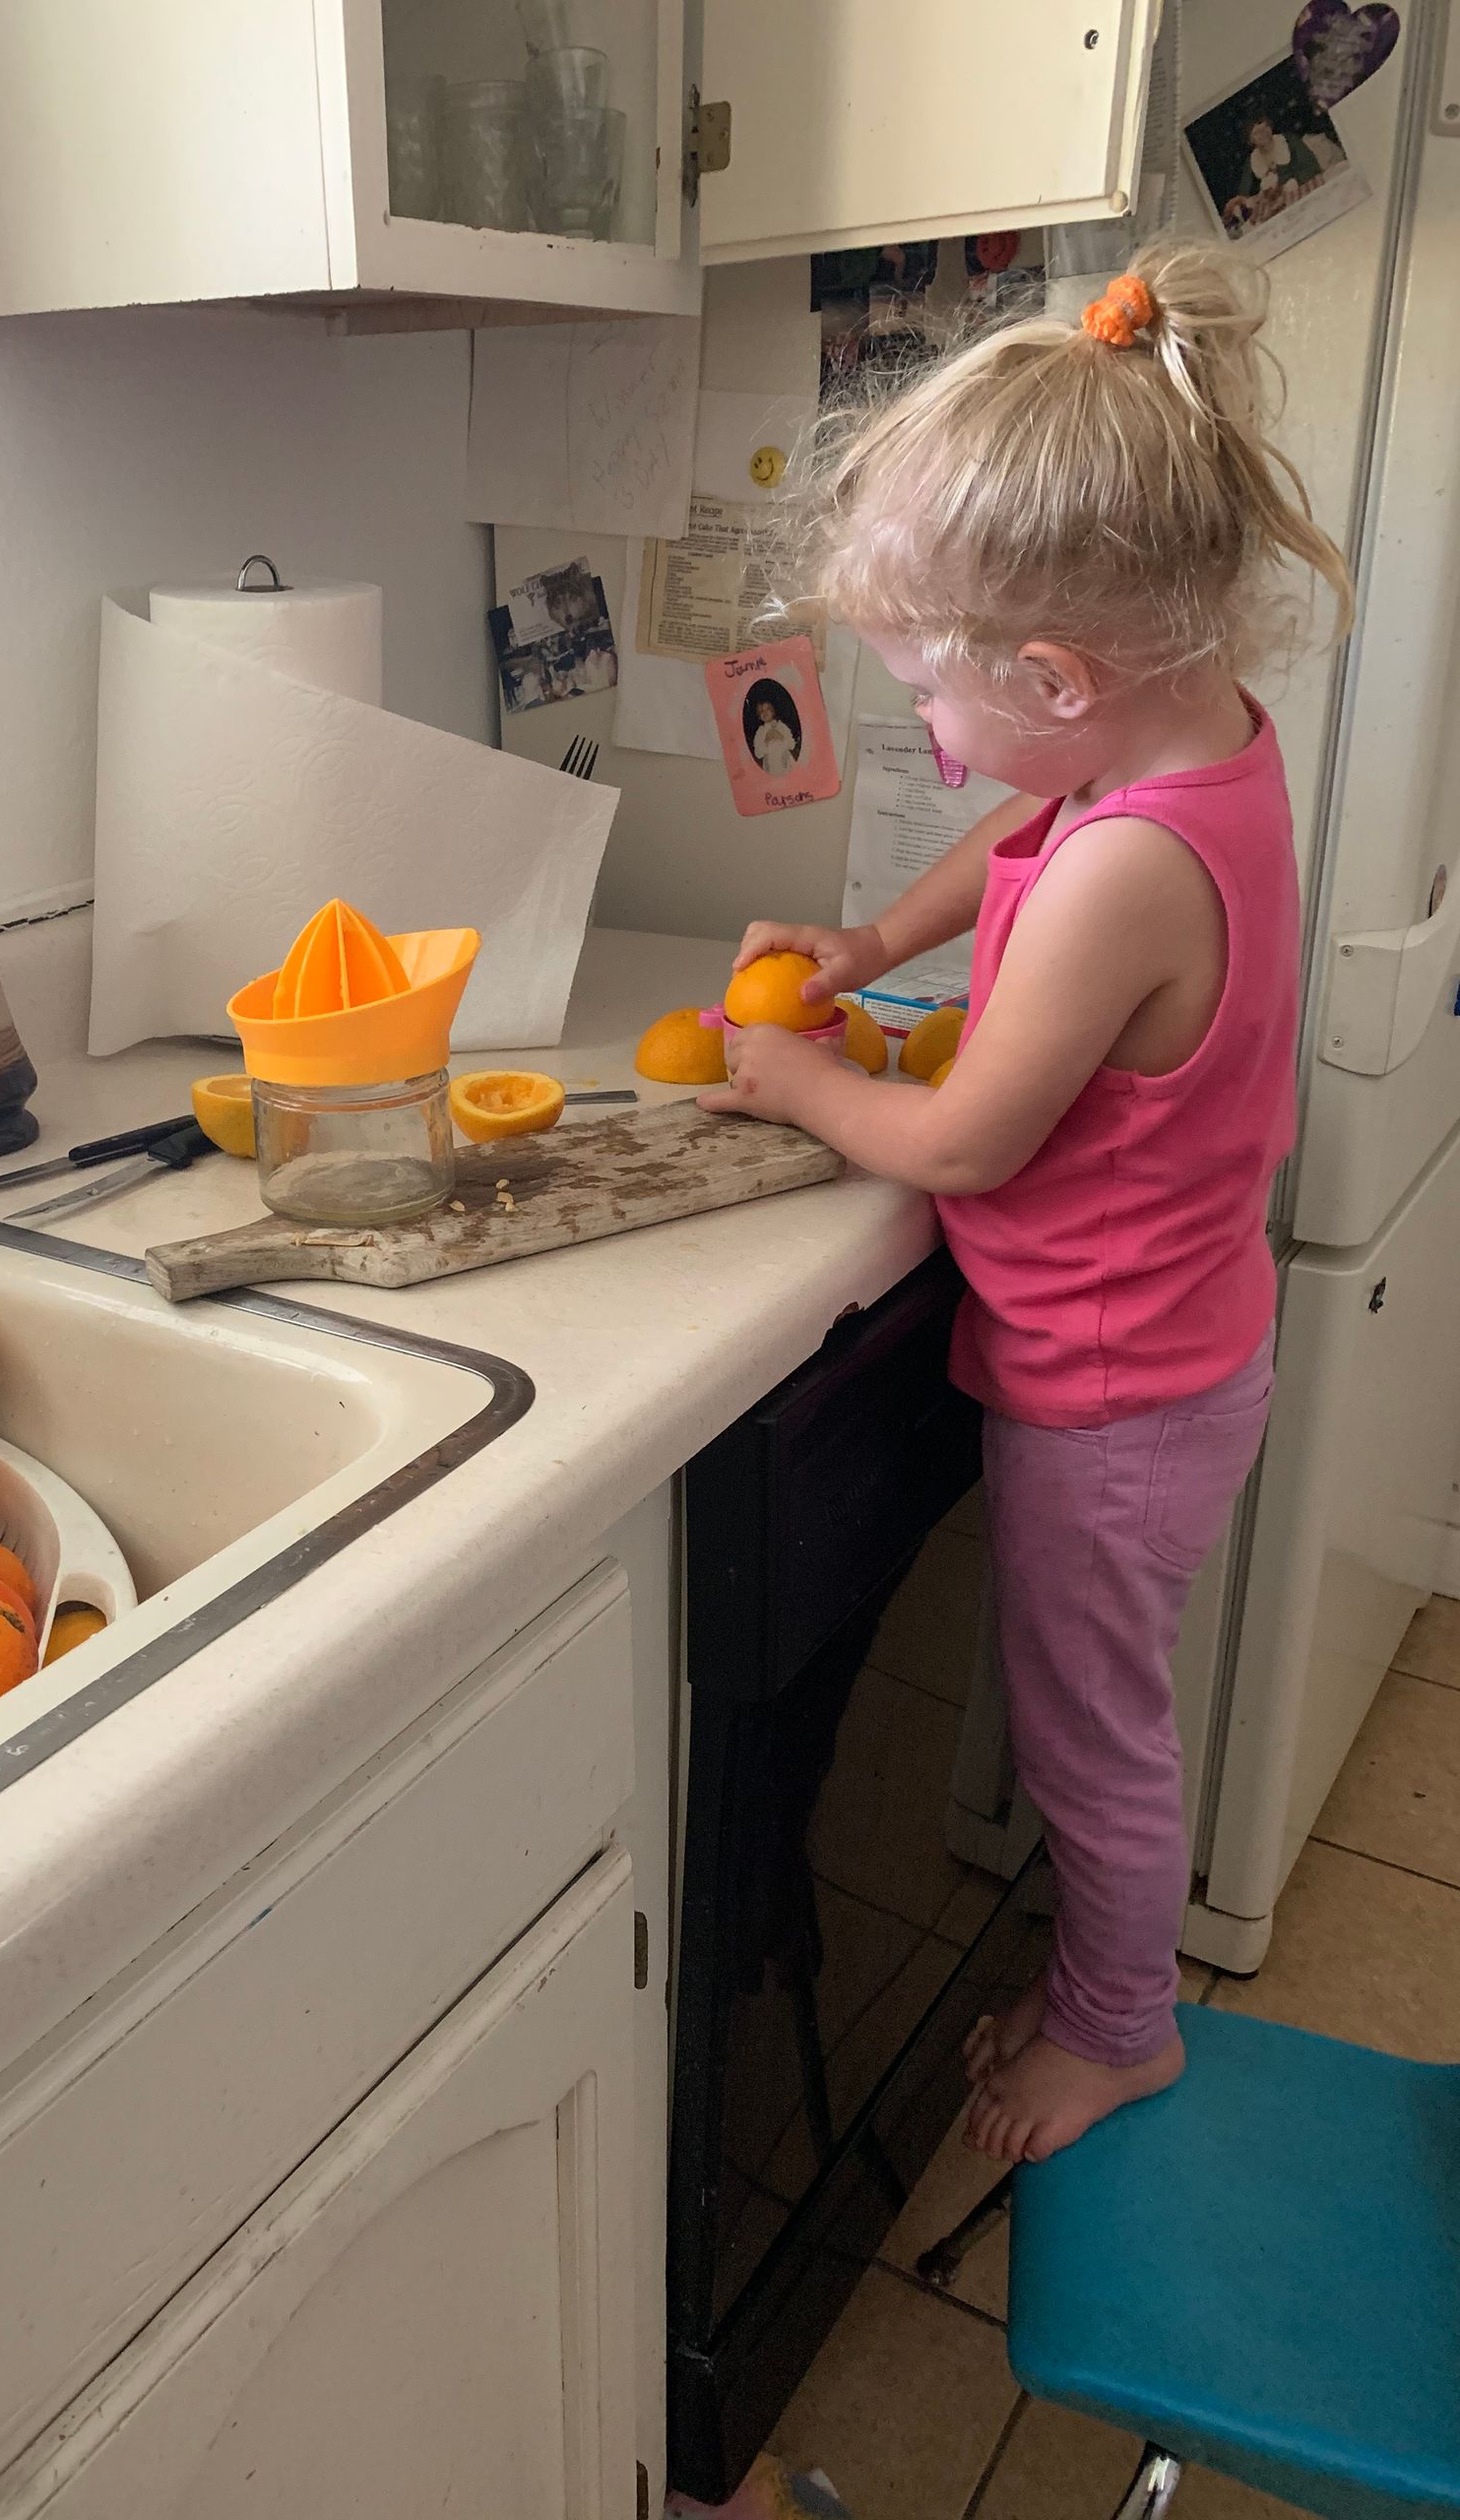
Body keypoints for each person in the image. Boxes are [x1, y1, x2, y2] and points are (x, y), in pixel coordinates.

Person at [699, 247, 1353, 2164]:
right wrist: (880, 931)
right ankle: (1107, 1991)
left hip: (1113, 1396)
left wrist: (795, 1071)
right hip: (1169, 1342)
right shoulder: (1192, 734)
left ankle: (1120, 2027)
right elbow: (1023, 816)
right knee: (1096, 1709)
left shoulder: (1123, 875)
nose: (925, 728)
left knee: (1094, 1737)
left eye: (923, 687)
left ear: (1058, 673)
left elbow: (970, 1138)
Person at [751, 693, 798, 776]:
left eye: (767, 709)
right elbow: (758, 754)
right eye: (761, 711)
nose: (765, 713)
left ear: (773, 711)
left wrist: (781, 737)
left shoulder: (781, 726)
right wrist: (766, 740)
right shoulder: (760, 732)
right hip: (771, 769)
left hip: (786, 766)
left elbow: (792, 745)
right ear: (759, 716)